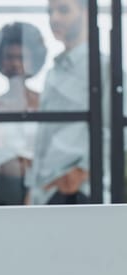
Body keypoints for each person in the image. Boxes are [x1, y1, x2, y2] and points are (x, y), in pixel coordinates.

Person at [25, 0, 110, 204]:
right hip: (47, 193)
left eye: (63, 10)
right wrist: (34, 188)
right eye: (50, 12)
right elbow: (45, 135)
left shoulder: (103, 67)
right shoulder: (53, 73)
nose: (54, 18)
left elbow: (114, 131)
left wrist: (81, 172)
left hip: (81, 191)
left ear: (86, 13)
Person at [0, 22, 47, 205]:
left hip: (44, 189)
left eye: (21, 57)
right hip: (6, 190)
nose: (15, 63)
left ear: (34, 61)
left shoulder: (47, 104)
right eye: (9, 57)